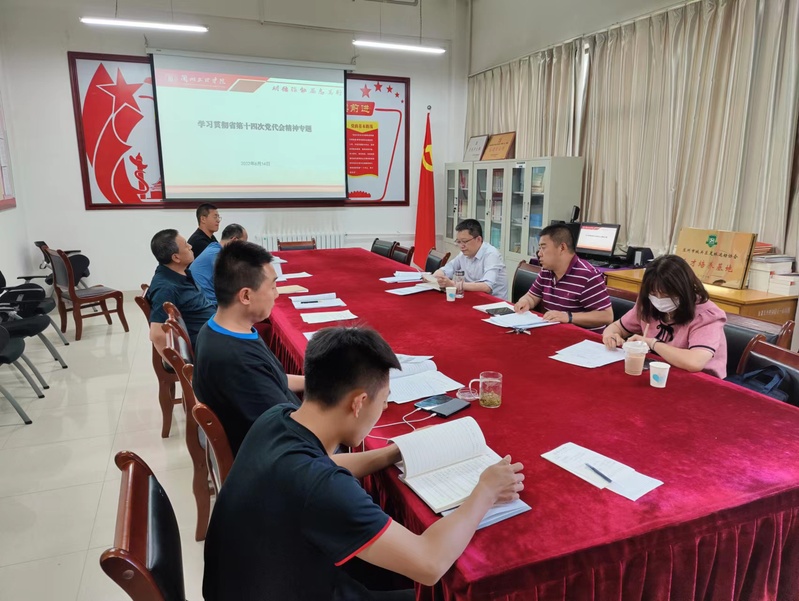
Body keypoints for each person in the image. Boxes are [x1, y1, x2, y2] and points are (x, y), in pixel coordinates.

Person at [202, 326, 525, 601]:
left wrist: (394, 452)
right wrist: (486, 491)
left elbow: (328, 463)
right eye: (383, 402)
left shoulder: (277, 418)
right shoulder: (321, 486)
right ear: (359, 403)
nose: (381, 411)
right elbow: (429, 563)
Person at [192, 240, 304, 454]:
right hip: (276, 456)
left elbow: (274, 378)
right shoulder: (236, 360)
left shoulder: (218, 328)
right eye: (272, 287)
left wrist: (319, 383)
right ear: (245, 296)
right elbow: (291, 436)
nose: (277, 294)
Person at [602, 254, 728, 378]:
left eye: (666, 295)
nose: (659, 299)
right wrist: (611, 336)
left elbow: (694, 363)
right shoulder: (648, 303)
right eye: (653, 293)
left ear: (684, 291)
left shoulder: (706, 315)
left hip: (700, 379)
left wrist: (652, 343)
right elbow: (617, 327)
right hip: (659, 372)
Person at [514, 224, 613, 331]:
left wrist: (568, 317)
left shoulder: (588, 275)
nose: (539, 253)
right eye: (539, 248)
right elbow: (532, 297)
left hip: (582, 336)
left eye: (543, 248)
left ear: (562, 248)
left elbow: (607, 316)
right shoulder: (546, 271)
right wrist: (525, 302)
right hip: (554, 331)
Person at [146, 229, 215, 355]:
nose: (190, 246)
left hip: (214, 326)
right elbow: (157, 335)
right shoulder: (166, 288)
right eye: (186, 245)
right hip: (209, 342)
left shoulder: (178, 272)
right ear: (176, 257)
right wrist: (181, 365)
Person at [433, 219, 508, 299]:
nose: (461, 246)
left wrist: (454, 284)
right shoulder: (464, 254)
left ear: (478, 239)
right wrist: (437, 276)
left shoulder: (491, 255)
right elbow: (448, 268)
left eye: (465, 241)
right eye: (458, 242)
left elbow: (486, 286)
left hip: (493, 302)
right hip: (473, 297)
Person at [189, 223, 248, 305]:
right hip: (208, 304)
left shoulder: (213, 247)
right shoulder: (218, 255)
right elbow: (232, 284)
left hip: (202, 300)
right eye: (243, 243)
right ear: (234, 240)